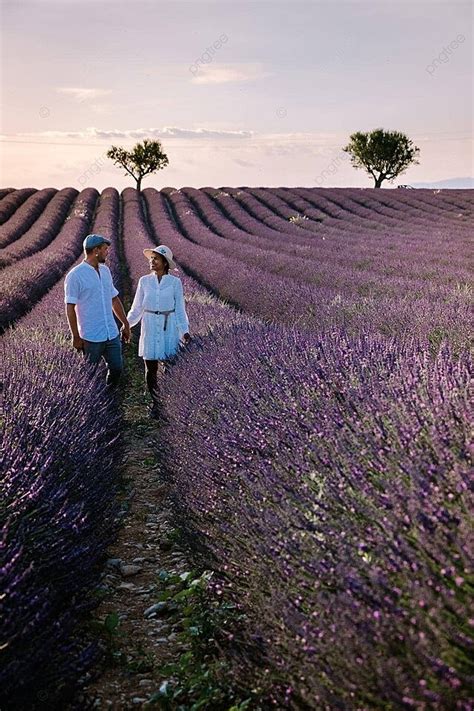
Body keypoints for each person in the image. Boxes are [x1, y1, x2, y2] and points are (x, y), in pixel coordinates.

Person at [127, 245, 191, 417]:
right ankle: (156, 403)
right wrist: (126, 325)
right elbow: (137, 307)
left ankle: (169, 401)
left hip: (168, 324)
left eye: (156, 258)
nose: (152, 261)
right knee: (151, 367)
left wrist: (184, 331)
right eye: (151, 258)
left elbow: (179, 309)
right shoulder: (144, 281)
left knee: (170, 365)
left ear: (164, 262)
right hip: (149, 323)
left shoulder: (175, 282)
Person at [64, 233, 131, 386]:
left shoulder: (105, 271)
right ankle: (94, 403)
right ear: (96, 250)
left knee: (117, 368)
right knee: (89, 376)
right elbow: (70, 308)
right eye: (105, 249)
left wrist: (125, 324)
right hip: (90, 336)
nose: (107, 252)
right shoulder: (75, 275)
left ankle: (108, 395)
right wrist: (75, 336)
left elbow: (114, 299)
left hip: (111, 333)